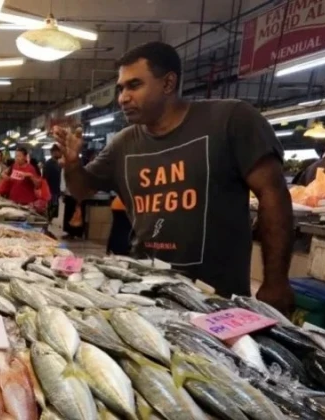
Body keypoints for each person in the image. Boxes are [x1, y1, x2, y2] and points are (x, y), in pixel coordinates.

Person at [54, 41, 294, 313]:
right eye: (121, 88)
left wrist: (276, 281)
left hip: (216, 298)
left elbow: (273, 195)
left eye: (134, 85)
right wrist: (72, 165)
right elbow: (82, 190)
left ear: (168, 83)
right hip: (144, 291)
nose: (122, 98)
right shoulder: (123, 144)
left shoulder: (230, 120)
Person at [44, 144, 62, 219]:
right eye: (59, 152)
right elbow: (45, 179)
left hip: (56, 192)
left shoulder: (59, 164)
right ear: (54, 152)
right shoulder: (48, 164)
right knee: (51, 211)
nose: (61, 154)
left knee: (54, 212)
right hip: (51, 192)